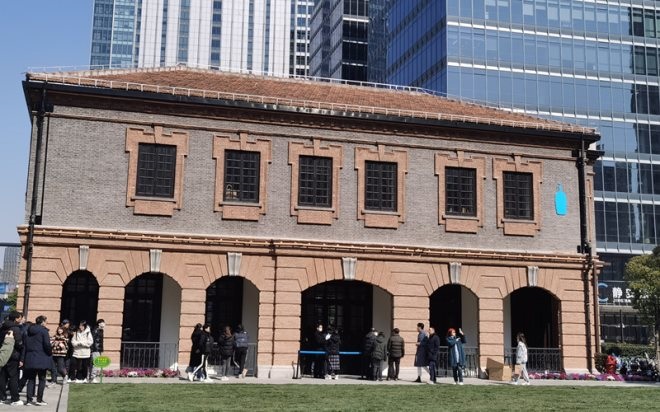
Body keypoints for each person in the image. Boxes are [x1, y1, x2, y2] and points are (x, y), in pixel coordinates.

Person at [22, 315, 52, 406]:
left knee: (31, 379)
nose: (46, 323)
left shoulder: (28, 330)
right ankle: (39, 399)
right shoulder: (44, 331)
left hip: (30, 357)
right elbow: (47, 345)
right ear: (42, 322)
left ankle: (29, 400)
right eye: (46, 321)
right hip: (41, 357)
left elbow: (25, 345)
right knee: (42, 379)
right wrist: (50, 352)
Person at [0, 311, 25, 405]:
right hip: (13, 355)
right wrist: (22, 347)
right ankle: (15, 399)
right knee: (13, 377)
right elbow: (19, 343)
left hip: (3, 354)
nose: (21, 319)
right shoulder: (15, 328)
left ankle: (1, 397)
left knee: (3, 376)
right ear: (16, 319)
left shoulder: (3, 327)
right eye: (20, 318)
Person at [89, 319, 105, 383]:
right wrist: (92, 349)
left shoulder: (101, 330)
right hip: (95, 349)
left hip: (98, 349)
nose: (104, 324)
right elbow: (93, 340)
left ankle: (91, 377)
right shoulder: (95, 330)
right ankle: (92, 377)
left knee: (95, 363)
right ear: (99, 324)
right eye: (103, 323)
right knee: (96, 363)